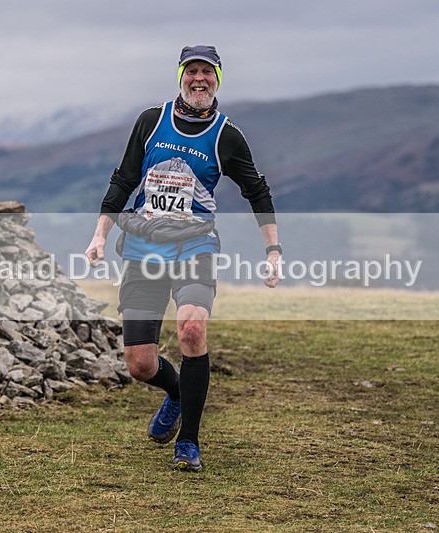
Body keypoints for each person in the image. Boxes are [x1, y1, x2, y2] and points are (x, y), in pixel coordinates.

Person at [84, 45, 282, 472]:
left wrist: (273, 250)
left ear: (217, 80)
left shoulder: (227, 136)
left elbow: (257, 191)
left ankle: (188, 442)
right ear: (180, 77)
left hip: (195, 244)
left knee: (192, 328)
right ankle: (176, 392)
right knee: (139, 363)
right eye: (191, 71)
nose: (199, 79)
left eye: (207, 73)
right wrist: (100, 234)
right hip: (142, 246)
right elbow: (123, 180)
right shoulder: (150, 122)